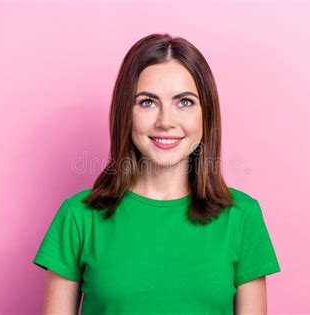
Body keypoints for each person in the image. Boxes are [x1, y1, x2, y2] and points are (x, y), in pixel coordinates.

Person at [33, 33, 281, 315]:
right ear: (125, 112)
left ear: (206, 114)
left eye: (184, 102)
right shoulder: (78, 216)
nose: (166, 122)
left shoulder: (242, 217)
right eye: (147, 102)